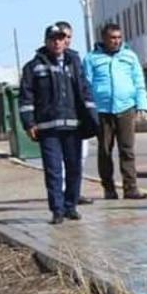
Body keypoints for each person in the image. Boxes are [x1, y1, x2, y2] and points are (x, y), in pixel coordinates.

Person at [19, 23, 99, 224]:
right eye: (53, 39)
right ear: (46, 41)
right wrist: (29, 123)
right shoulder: (33, 67)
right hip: (48, 129)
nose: (57, 43)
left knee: (74, 168)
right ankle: (57, 210)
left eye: (61, 39)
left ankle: (70, 206)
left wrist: (93, 119)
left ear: (65, 41)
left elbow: (85, 91)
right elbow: (26, 98)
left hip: (73, 126)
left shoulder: (74, 63)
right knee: (53, 170)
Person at [83, 22, 147, 200]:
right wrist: (88, 110)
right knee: (105, 151)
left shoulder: (130, 56)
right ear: (104, 38)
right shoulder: (91, 59)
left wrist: (142, 105)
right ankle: (109, 189)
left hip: (126, 108)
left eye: (119, 37)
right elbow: (86, 85)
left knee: (127, 150)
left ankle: (131, 188)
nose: (116, 41)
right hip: (102, 111)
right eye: (112, 38)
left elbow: (139, 82)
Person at [55, 20, 93, 205]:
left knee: (80, 157)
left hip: (77, 117)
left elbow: (83, 86)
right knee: (61, 160)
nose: (66, 40)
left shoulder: (75, 59)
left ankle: (74, 192)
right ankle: (62, 193)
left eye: (69, 37)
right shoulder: (46, 61)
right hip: (58, 120)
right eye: (63, 36)